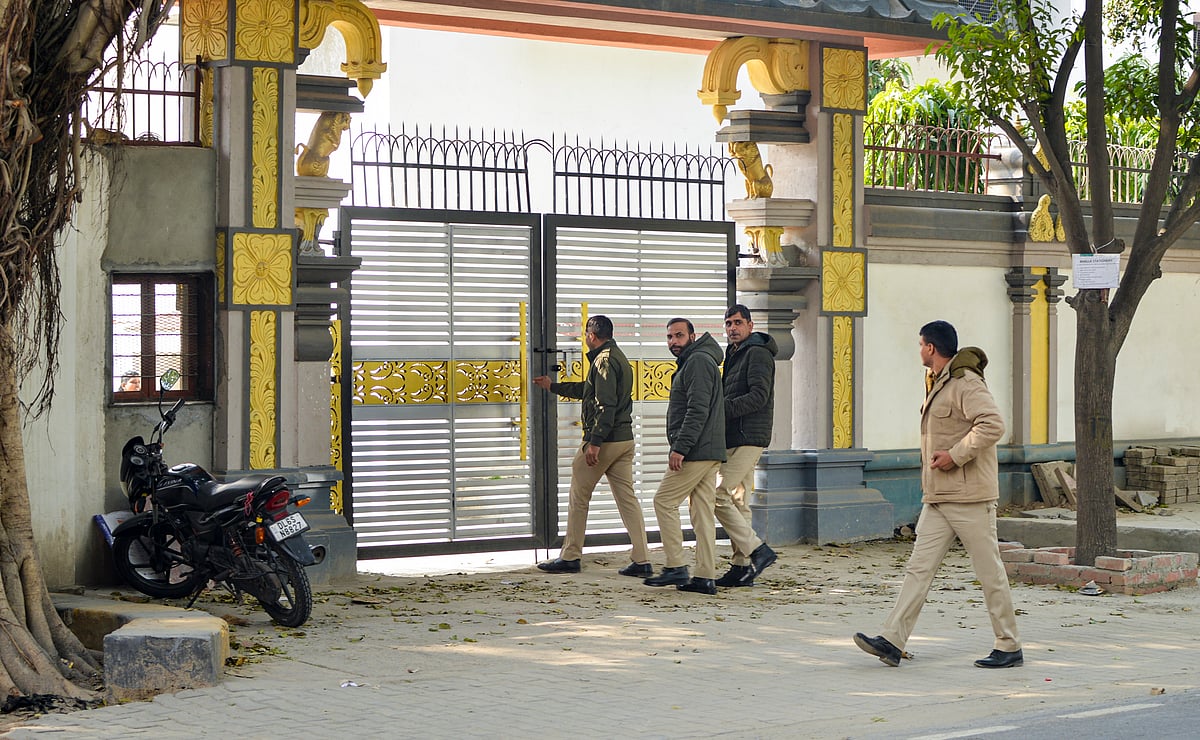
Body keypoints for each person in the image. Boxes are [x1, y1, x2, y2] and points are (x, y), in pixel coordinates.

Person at [854, 320, 1022, 669]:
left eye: (920, 345)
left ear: (931, 348)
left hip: (970, 498)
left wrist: (955, 455)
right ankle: (892, 639)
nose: (919, 350)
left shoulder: (966, 383)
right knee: (918, 569)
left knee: (989, 572)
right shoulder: (937, 382)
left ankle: (1009, 645)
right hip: (938, 497)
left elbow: (993, 424)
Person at [533, 315, 651, 576]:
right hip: (623, 440)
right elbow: (590, 391)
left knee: (579, 496)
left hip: (606, 441)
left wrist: (594, 443)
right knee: (628, 500)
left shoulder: (604, 360)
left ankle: (571, 555)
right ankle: (642, 560)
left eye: (585, 333)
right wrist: (553, 386)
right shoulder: (615, 356)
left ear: (591, 335)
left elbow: (604, 405)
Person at [644, 318, 726, 595]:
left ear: (693, 335)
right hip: (707, 449)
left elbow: (697, 409)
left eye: (679, 335)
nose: (673, 342)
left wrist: (680, 447)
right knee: (702, 513)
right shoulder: (696, 360)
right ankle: (705, 576)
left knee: (663, 501)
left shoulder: (698, 362)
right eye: (669, 337)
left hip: (696, 450)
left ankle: (676, 565)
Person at [713, 305, 778, 587]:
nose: (732, 328)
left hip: (750, 436)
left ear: (751, 325)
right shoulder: (734, 352)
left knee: (718, 494)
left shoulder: (758, 353)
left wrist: (720, 410)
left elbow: (759, 397)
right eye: (728, 323)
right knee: (740, 501)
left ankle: (758, 550)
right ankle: (741, 567)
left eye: (738, 322)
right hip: (733, 436)